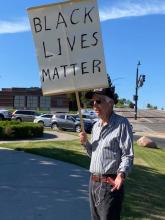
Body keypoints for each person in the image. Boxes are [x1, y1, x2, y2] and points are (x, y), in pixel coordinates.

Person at [79, 88, 134, 220]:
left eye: (98, 101)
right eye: (93, 102)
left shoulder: (122, 124)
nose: (94, 105)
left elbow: (128, 155)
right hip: (93, 183)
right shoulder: (96, 126)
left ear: (110, 103)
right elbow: (95, 155)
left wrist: (121, 175)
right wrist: (86, 143)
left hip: (110, 185)